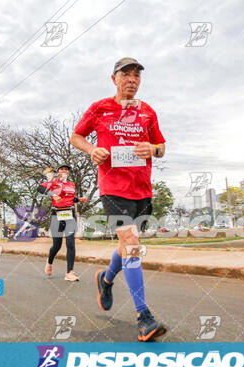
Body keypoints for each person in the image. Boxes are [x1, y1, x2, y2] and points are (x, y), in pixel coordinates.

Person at [69, 57, 167, 341]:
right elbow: (76, 136)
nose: (132, 80)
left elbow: (161, 147)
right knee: (132, 244)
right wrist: (91, 150)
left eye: (137, 75)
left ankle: (106, 278)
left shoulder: (147, 112)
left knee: (129, 244)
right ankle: (144, 317)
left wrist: (153, 149)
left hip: (142, 190)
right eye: (126, 74)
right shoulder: (100, 108)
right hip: (112, 187)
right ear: (114, 78)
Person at [37, 165, 88, 282]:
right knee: (57, 246)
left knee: (71, 243)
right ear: (58, 172)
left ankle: (69, 272)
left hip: (70, 214)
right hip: (57, 215)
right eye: (62, 169)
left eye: (66, 170)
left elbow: (70, 197)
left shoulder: (71, 184)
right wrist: (52, 194)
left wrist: (79, 199)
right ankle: (49, 262)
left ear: (68, 173)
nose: (64, 171)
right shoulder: (53, 182)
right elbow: (39, 188)